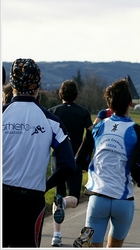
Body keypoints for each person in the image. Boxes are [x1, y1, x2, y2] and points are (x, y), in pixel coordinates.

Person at [2, 58, 76, 247]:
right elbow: (68, 165)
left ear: (13, 84)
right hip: (31, 198)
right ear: (37, 86)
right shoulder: (52, 121)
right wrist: (46, 185)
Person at [74, 78, 140, 247]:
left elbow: (80, 158)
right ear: (131, 103)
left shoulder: (96, 127)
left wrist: (87, 168)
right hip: (123, 200)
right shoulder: (139, 132)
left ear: (109, 105)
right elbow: (135, 167)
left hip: (98, 198)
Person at [48, 80, 93, 247]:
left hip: (56, 158)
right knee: (73, 197)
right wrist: (87, 158)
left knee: (58, 195)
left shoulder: (52, 112)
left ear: (60, 94)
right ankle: (64, 203)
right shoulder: (83, 112)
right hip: (75, 158)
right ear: (76, 95)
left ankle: (56, 236)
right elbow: (91, 135)